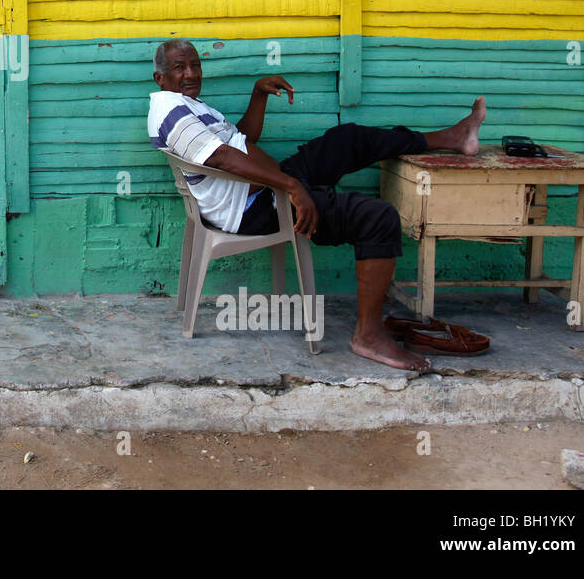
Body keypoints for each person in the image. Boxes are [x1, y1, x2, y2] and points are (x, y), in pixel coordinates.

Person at [148, 38, 486, 370]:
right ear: (160, 78)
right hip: (258, 207)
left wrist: (258, 94)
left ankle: (451, 137)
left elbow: (241, 141)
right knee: (378, 217)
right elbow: (223, 158)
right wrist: (292, 186)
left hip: (269, 187)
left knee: (347, 138)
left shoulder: (191, 106)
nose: (191, 73)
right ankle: (368, 335)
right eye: (180, 68)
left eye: (195, 65)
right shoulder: (170, 111)